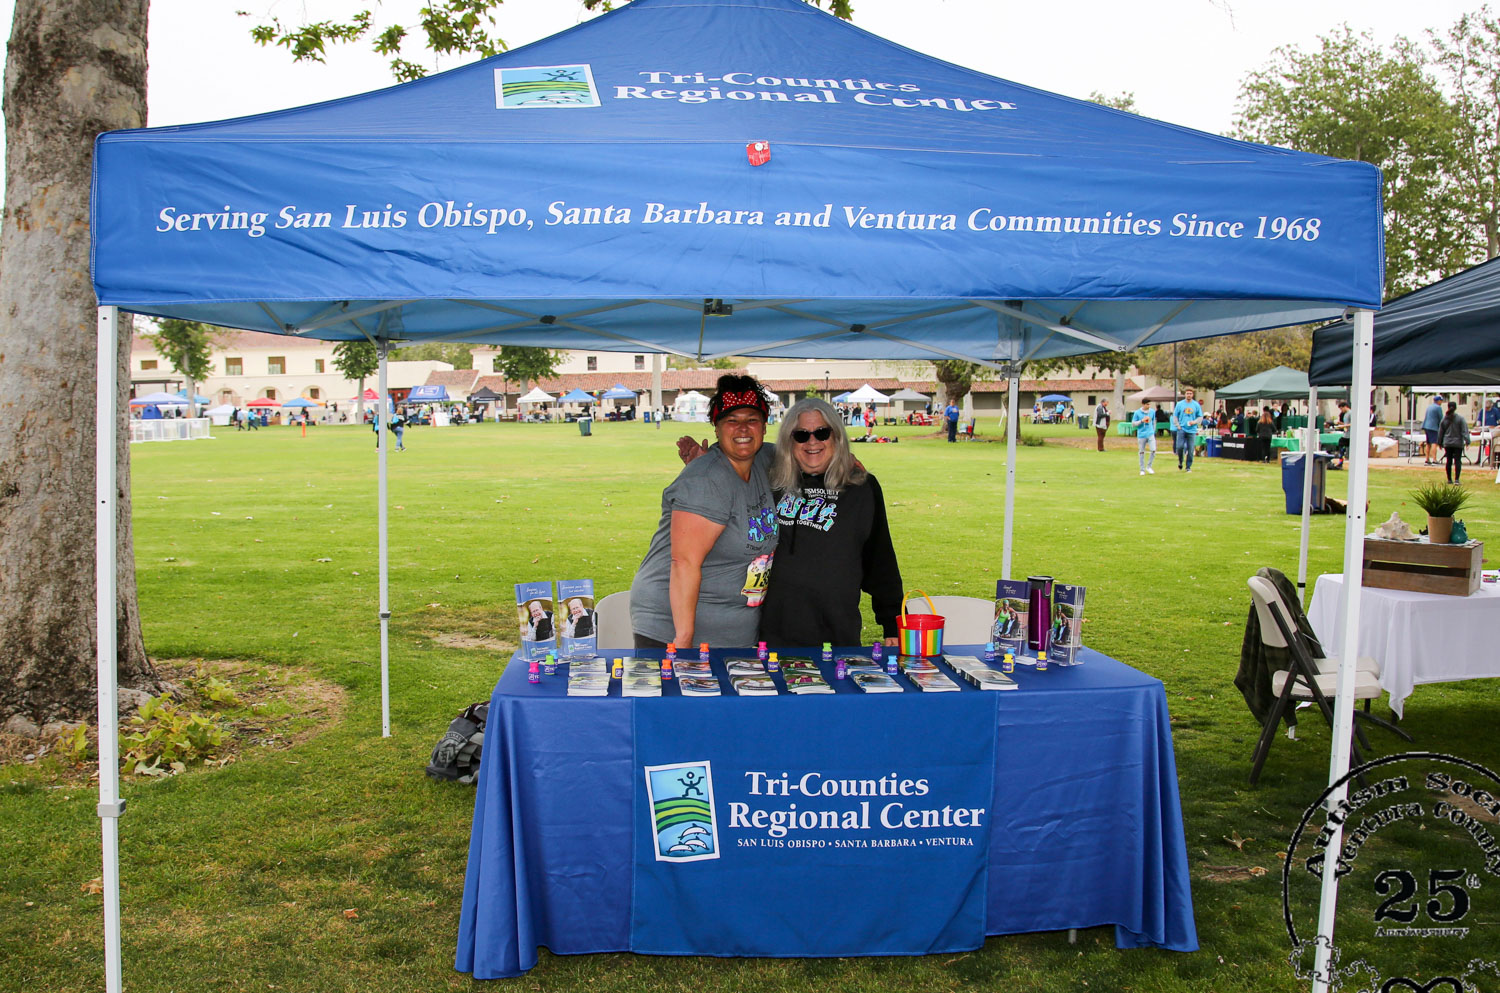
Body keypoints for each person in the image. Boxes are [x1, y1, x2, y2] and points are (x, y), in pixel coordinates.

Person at [630, 375, 779, 649]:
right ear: (717, 427)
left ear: (764, 426)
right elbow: (684, 563)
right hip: (675, 629)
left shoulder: (762, 461)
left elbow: (807, 453)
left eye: (752, 419)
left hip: (733, 629)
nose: (743, 428)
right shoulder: (706, 481)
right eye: (732, 420)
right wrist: (683, 641)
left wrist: (843, 459)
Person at [759, 398, 903, 647]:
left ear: (836, 437)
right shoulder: (771, 483)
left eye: (822, 433)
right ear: (789, 442)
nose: (812, 442)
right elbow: (742, 453)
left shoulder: (862, 488)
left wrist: (893, 623)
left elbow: (881, 560)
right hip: (773, 634)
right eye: (801, 435)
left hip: (836, 634)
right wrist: (710, 458)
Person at [1172, 387, 1203, 471]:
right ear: (1185, 394)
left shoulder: (1196, 405)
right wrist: (1177, 425)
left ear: (1192, 395)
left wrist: (1194, 422)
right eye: (1187, 393)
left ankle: (1188, 466)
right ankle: (1180, 461)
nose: (1189, 395)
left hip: (1192, 429)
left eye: (1190, 393)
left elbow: (1200, 417)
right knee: (1180, 446)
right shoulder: (1180, 404)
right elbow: (1175, 416)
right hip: (1182, 428)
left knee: (1191, 448)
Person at [1438, 401, 1469, 483]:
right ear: (1456, 408)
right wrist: (1467, 441)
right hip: (1458, 443)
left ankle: (1449, 479)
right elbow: (1464, 431)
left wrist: (1440, 442)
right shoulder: (1460, 419)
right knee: (1457, 461)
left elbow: (1441, 432)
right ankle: (1457, 479)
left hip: (1447, 443)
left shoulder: (1444, 419)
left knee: (1449, 461)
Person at [1132, 396, 1157, 475]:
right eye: (1147, 404)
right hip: (1142, 434)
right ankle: (1142, 469)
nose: (1148, 406)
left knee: (1153, 449)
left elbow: (1153, 421)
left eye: (1149, 404)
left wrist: (1153, 430)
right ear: (1143, 404)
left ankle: (1149, 466)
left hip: (1150, 433)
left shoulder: (1152, 412)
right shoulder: (1137, 413)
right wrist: (1141, 421)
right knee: (1141, 451)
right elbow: (1133, 424)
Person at [1422, 394, 1445, 465]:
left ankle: (1427, 459)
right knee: (1434, 443)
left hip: (1426, 426)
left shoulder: (1429, 407)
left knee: (1428, 443)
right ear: (1438, 401)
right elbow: (1441, 418)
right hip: (1433, 427)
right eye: (1441, 401)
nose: (1441, 402)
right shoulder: (1438, 408)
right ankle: (1434, 459)